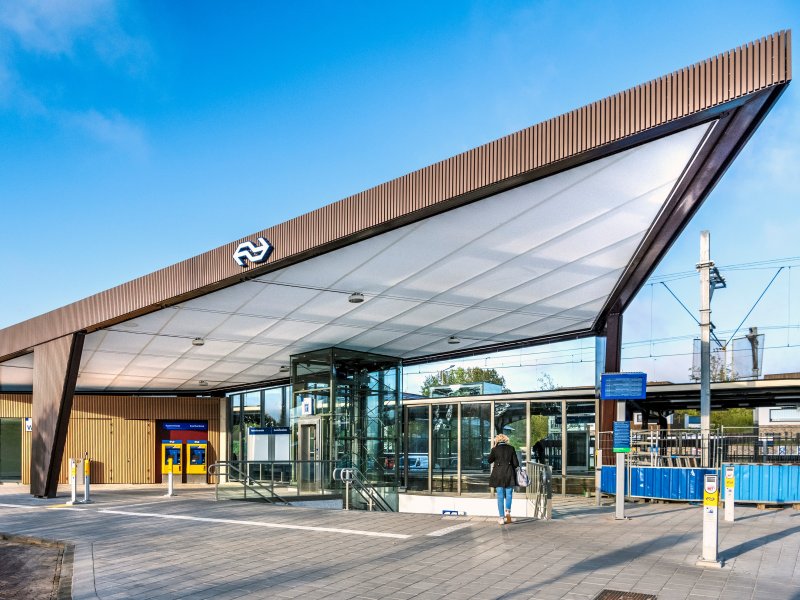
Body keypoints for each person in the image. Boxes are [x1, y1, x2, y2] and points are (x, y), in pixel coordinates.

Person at [488, 433, 519, 525]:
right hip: (509, 473)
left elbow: (489, 460)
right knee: (509, 494)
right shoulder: (511, 448)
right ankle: (508, 511)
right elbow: (516, 463)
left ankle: (501, 518)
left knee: (500, 496)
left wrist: (494, 450)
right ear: (506, 440)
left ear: (497, 440)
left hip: (498, 474)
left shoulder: (495, 449)